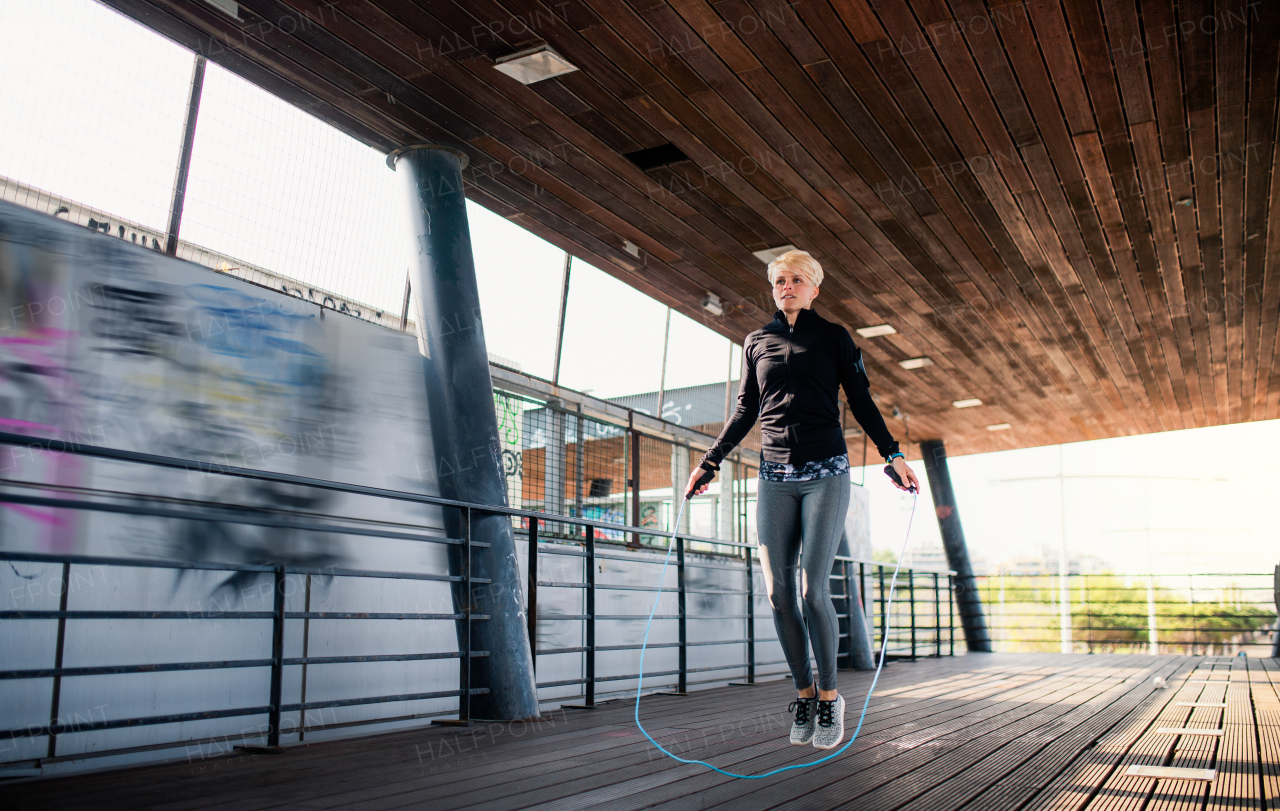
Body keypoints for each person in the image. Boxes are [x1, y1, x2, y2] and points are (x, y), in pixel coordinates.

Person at [685, 249, 919, 750]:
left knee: (815, 591)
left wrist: (893, 455)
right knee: (776, 594)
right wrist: (710, 462)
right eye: (779, 281)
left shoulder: (833, 337)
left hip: (826, 474)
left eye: (796, 280)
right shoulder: (756, 342)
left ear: (815, 288)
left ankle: (832, 697)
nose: (785, 287)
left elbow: (861, 401)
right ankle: (806, 694)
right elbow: (747, 408)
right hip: (773, 477)